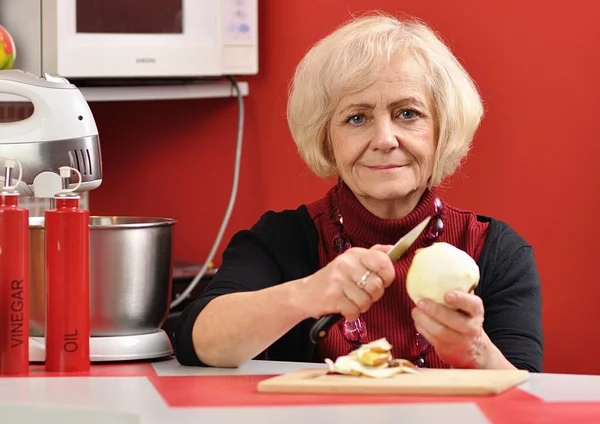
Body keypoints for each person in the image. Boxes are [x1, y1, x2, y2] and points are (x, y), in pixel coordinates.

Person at [173, 13, 543, 372]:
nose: (384, 139)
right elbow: (197, 342)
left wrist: (477, 351)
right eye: (356, 118)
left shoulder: (497, 251)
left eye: (408, 114)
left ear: (441, 130)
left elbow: (530, 393)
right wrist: (305, 294)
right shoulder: (281, 240)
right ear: (327, 140)